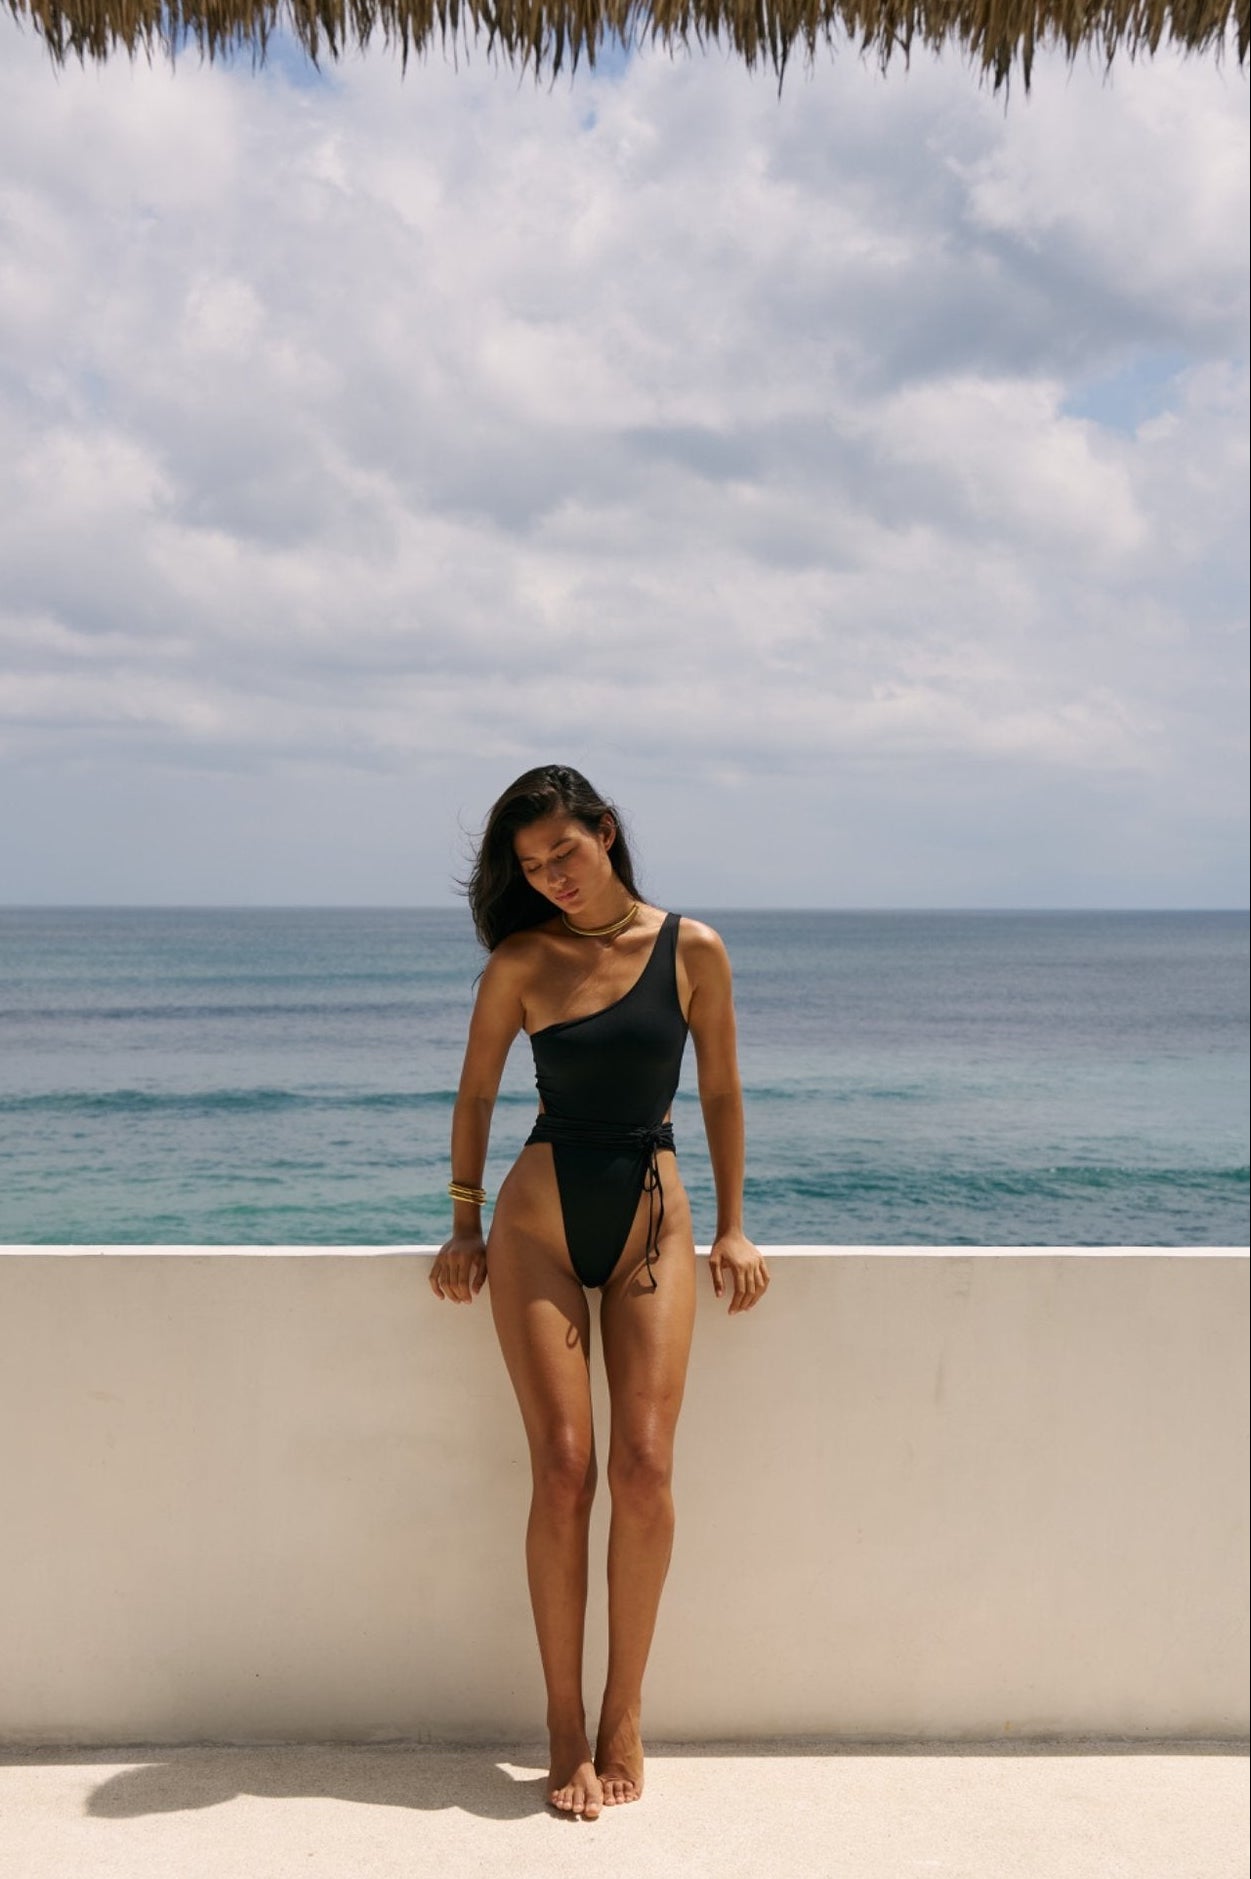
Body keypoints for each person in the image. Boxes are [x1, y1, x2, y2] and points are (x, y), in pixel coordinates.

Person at [429, 764, 769, 1820]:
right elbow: (478, 1091)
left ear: (607, 833)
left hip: (651, 1220)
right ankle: (564, 1722)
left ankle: (625, 1710)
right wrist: (463, 1224)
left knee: (646, 1462)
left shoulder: (692, 950)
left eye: (563, 854)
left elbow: (717, 1087)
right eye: (531, 868)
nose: (552, 878)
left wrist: (734, 1223)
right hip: (537, 1220)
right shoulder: (520, 960)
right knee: (566, 1467)